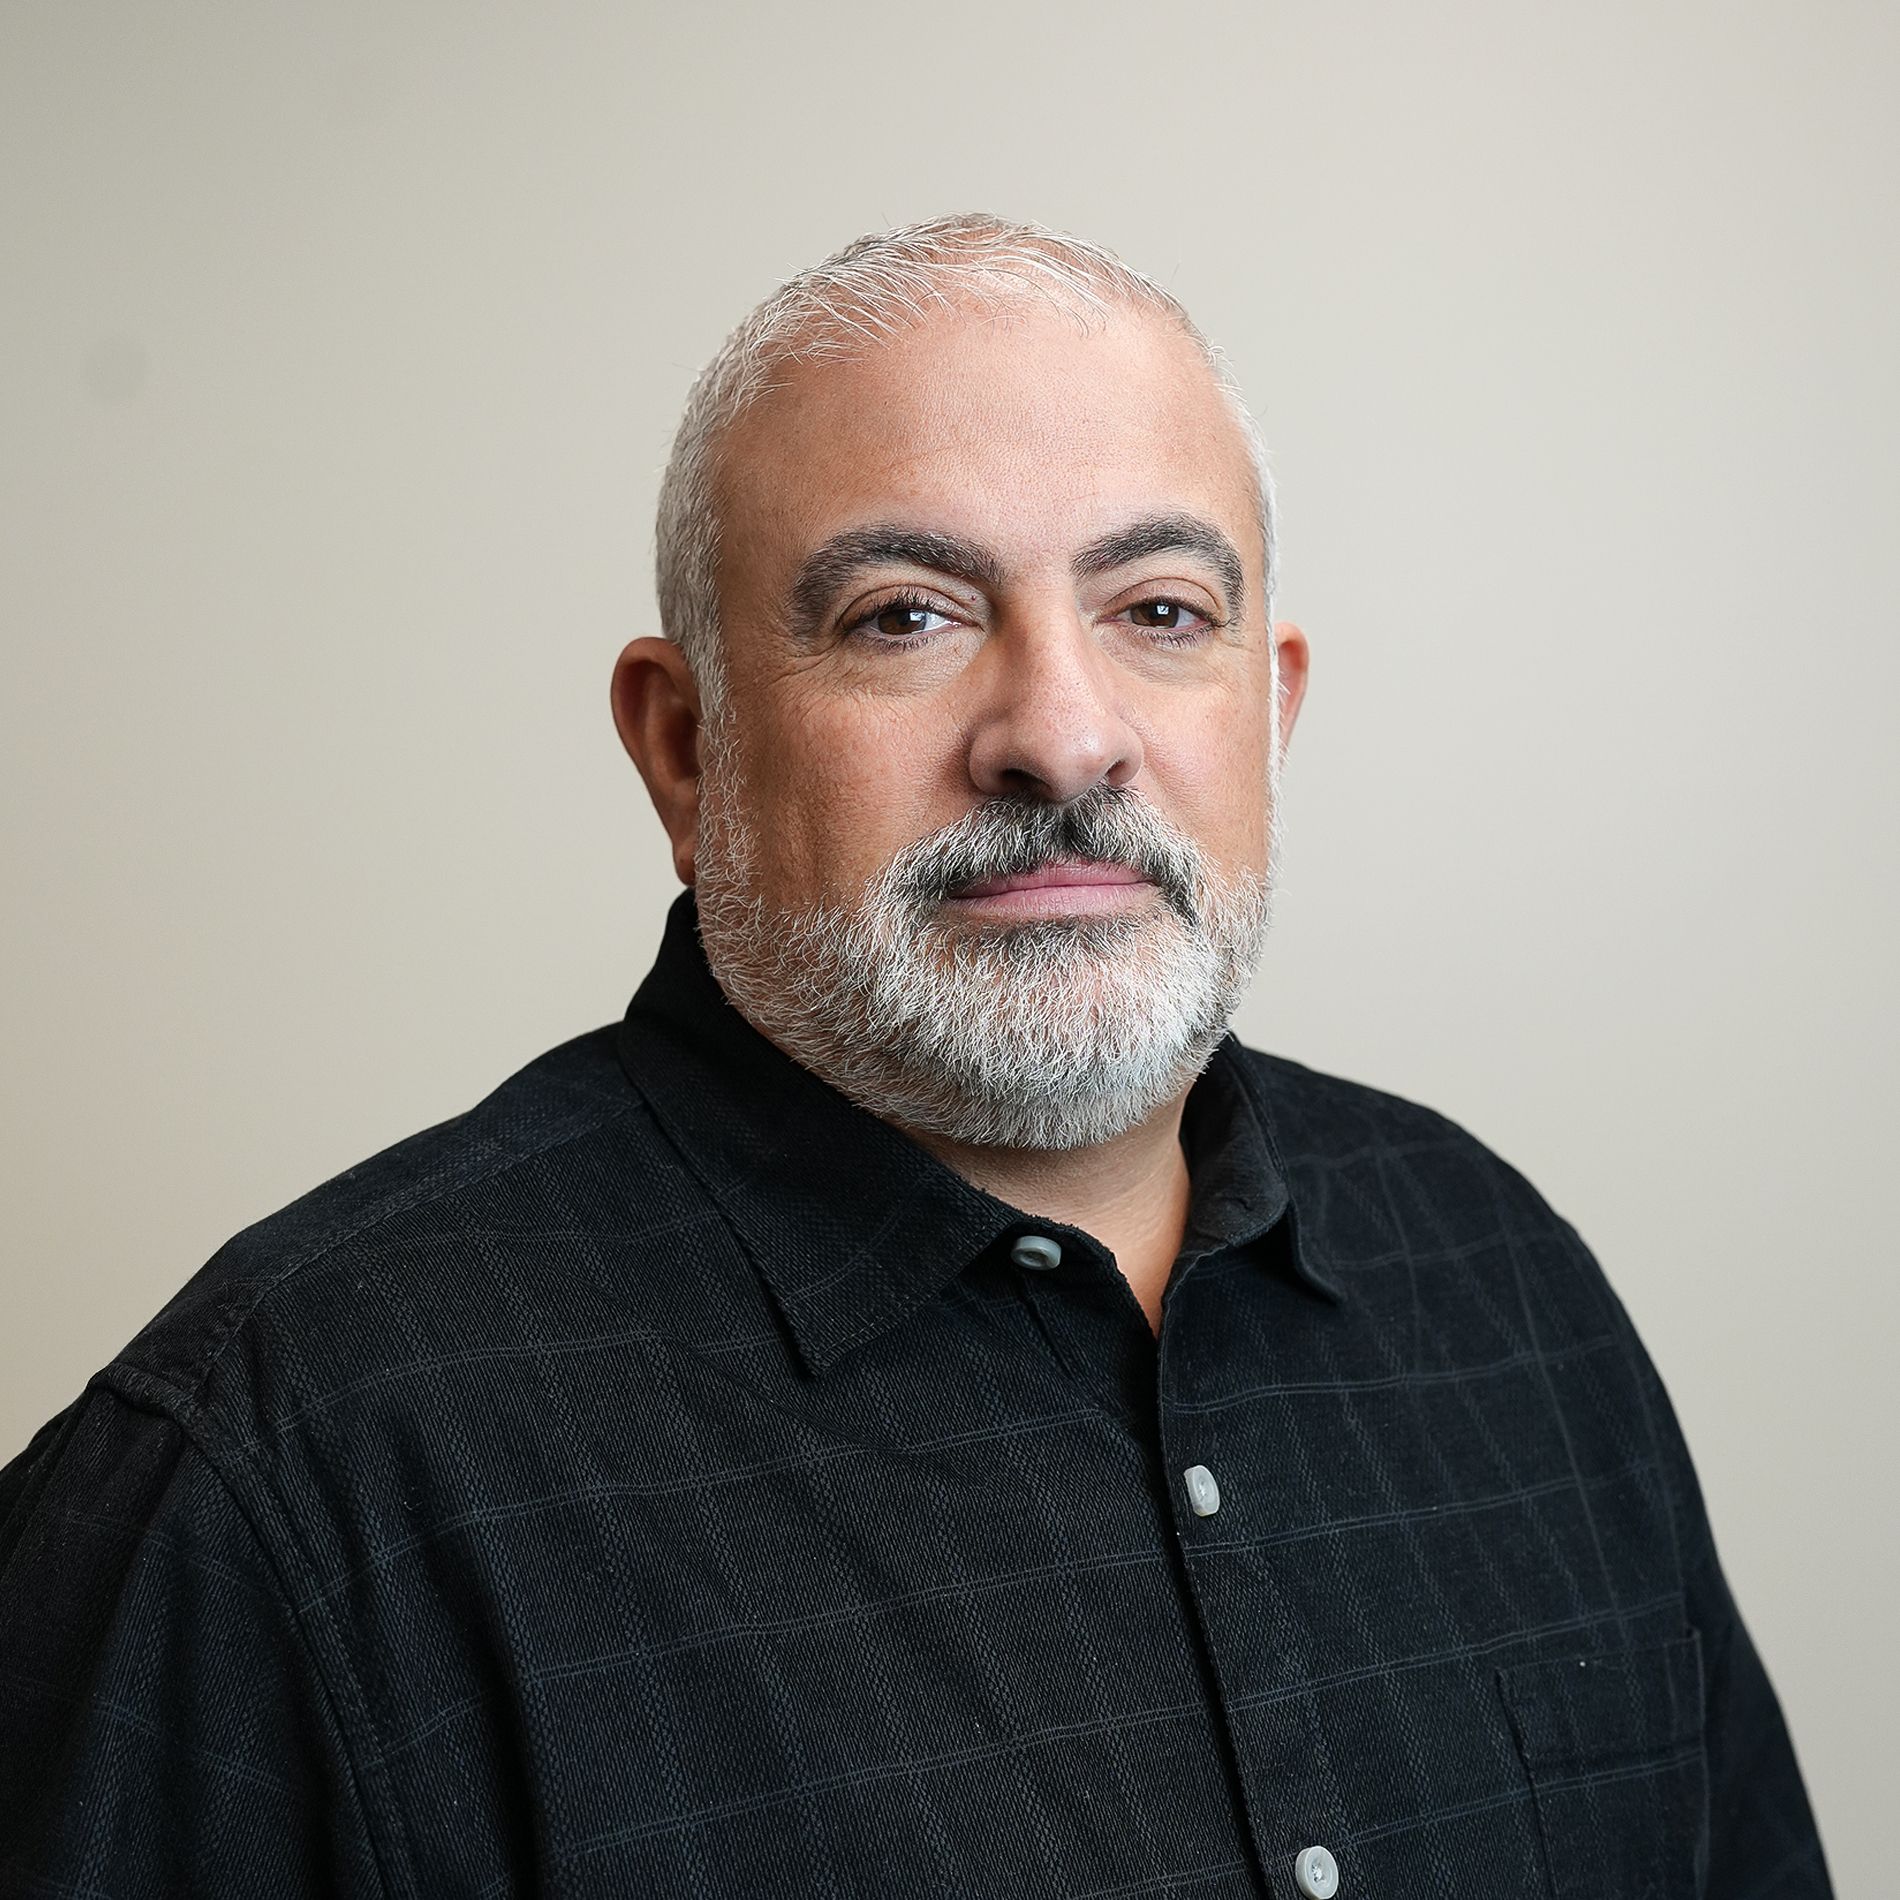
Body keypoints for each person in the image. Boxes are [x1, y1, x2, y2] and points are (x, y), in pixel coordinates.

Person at [0, 213, 1829, 1898]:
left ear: (1271, 712)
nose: (1059, 735)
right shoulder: (281, 1484)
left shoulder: (1502, 1286)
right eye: (907, 615)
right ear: (687, 750)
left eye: (1159, 613)